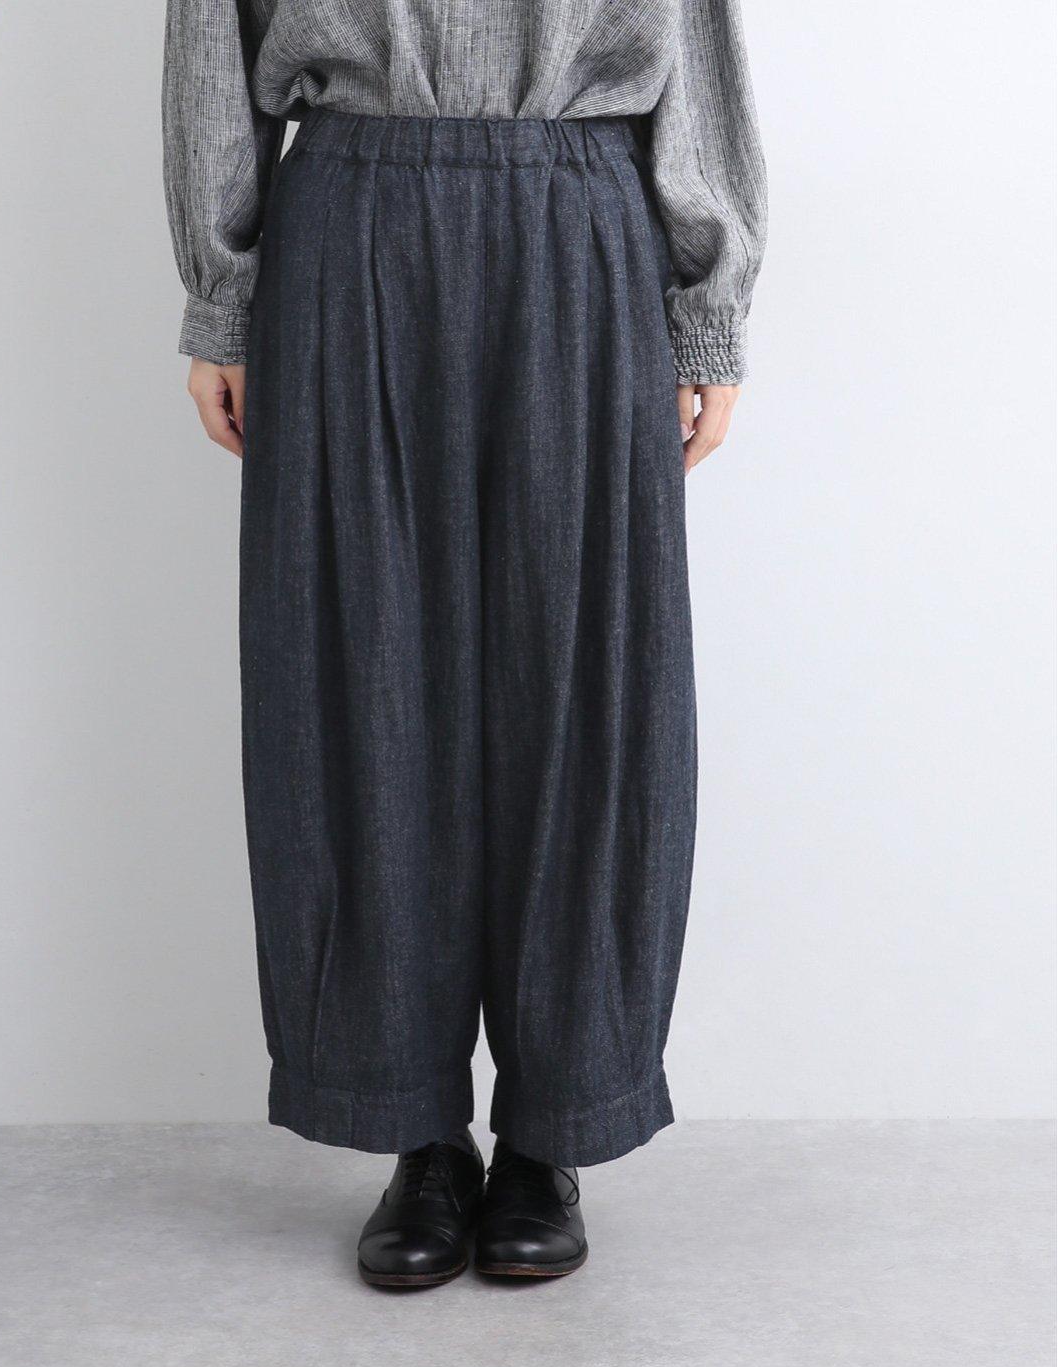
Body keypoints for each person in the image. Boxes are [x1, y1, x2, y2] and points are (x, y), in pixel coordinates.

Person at [163, 0, 766, 1286]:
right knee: (358, 674)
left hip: (582, 212)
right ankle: (417, 1129)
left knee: (586, 682)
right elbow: (215, 32)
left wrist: (708, 301)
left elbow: (695, 32)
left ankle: (554, 1128)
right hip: (351, 214)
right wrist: (222, 296)